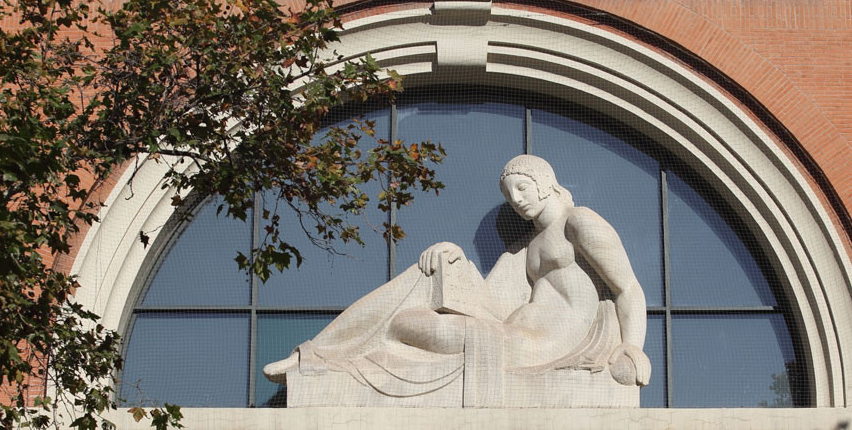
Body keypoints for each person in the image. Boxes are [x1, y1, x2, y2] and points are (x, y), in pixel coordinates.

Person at [264, 154, 650, 395]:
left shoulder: (579, 223)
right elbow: (489, 299)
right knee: (427, 277)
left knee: (401, 326)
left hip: (536, 348)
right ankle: (320, 355)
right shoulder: (525, 250)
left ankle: (321, 357)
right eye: (509, 194)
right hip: (507, 333)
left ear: (545, 182)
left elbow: (627, 288)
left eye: (522, 187)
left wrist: (632, 349)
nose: (516, 199)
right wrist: (454, 257)